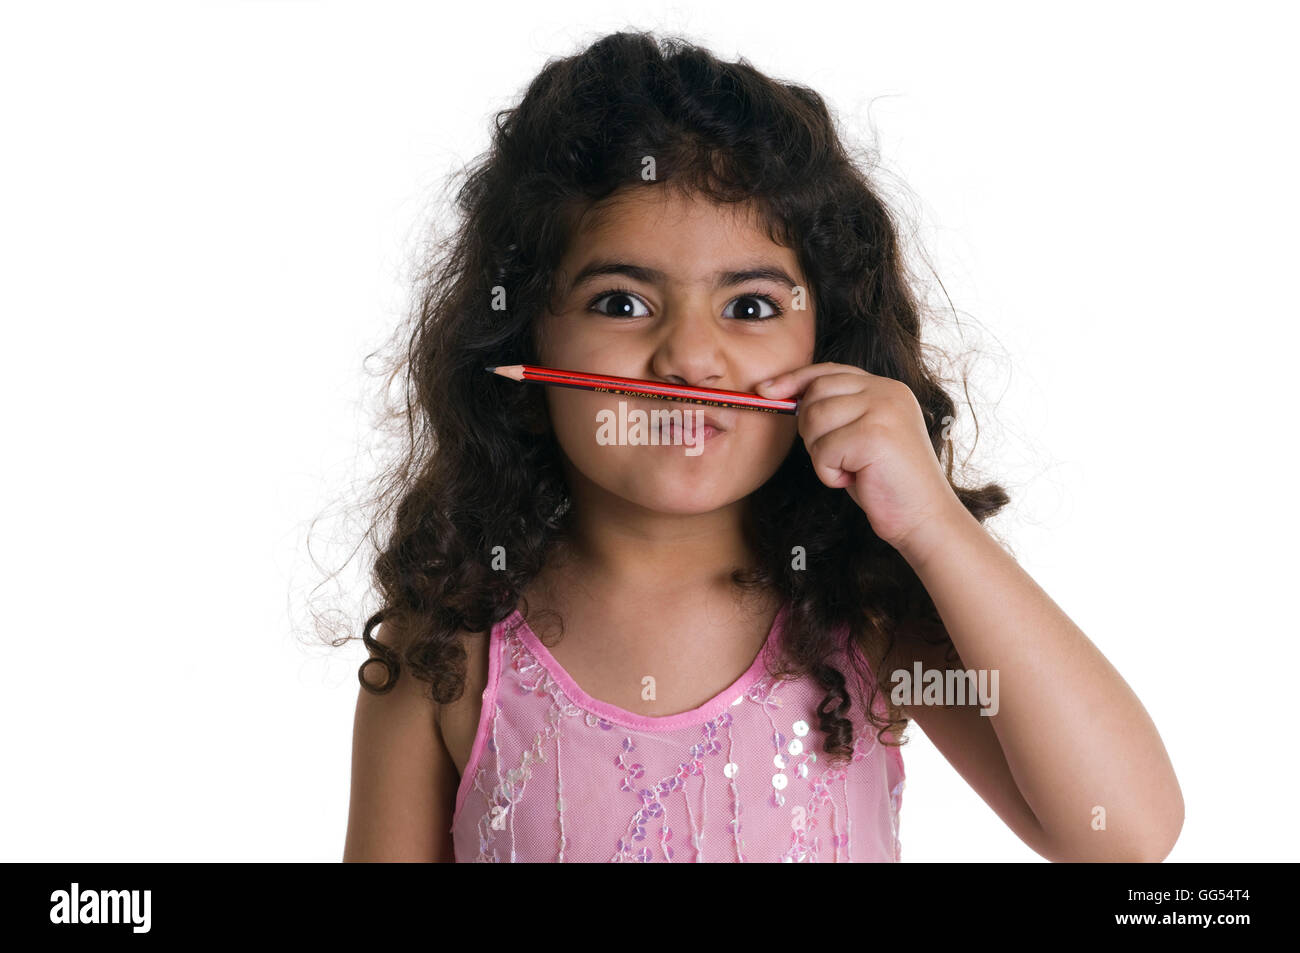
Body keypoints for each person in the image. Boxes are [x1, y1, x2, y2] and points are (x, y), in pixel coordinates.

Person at [340, 30, 1183, 862]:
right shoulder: (449, 649)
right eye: (621, 303)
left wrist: (932, 522)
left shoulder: (863, 614)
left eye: (749, 307)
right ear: (524, 339)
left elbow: (1126, 834)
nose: (690, 356)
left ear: (828, 344)